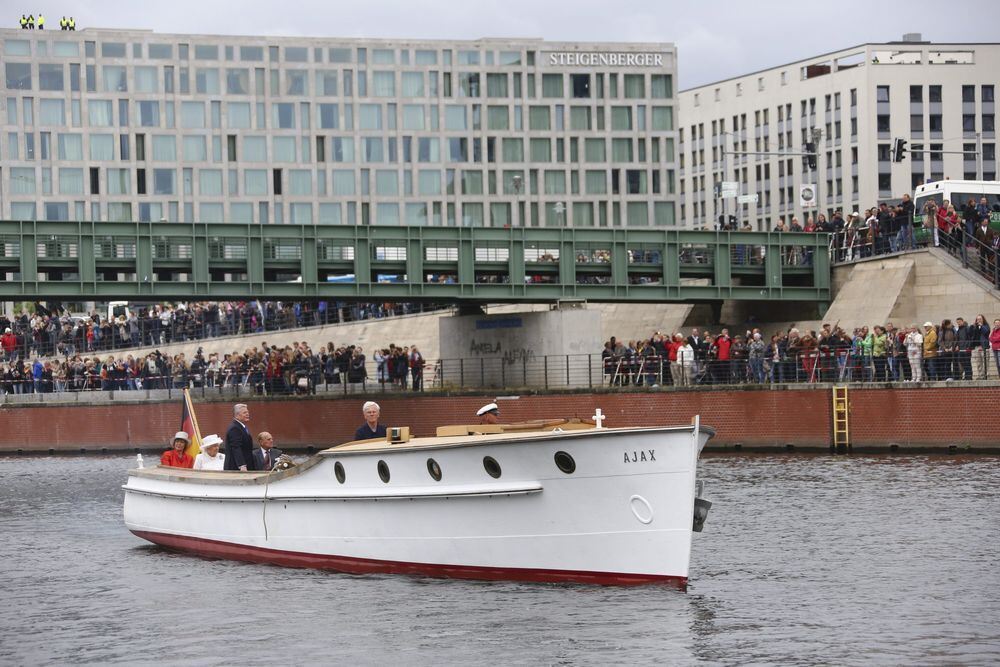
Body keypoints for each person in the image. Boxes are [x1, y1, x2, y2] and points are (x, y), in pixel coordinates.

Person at [223, 403, 256, 471]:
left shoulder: (241, 427)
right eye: (244, 413)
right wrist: (241, 465)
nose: (247, 414)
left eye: (247, 412)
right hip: (237, 468)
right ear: (237, 415)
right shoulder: (234, 428)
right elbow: (236, 447)